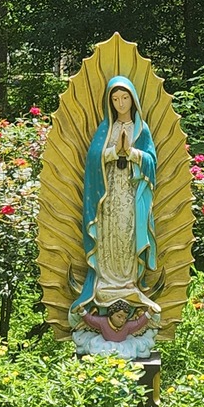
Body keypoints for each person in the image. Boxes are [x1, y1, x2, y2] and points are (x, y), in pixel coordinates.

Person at [71, 75, 159, 355]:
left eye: (125, 98)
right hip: (108, 196)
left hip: (130, 196)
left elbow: (151, 162)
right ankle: (107, 283)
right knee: (109, 237)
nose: (121, 103)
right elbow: (93, 161)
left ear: (133, 100)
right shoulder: (105, 129)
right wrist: (111, 153)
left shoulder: (141, 129)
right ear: (109, 102)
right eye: (115, 99)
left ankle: (127, 283)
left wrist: (132, 153)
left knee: (127, 235)